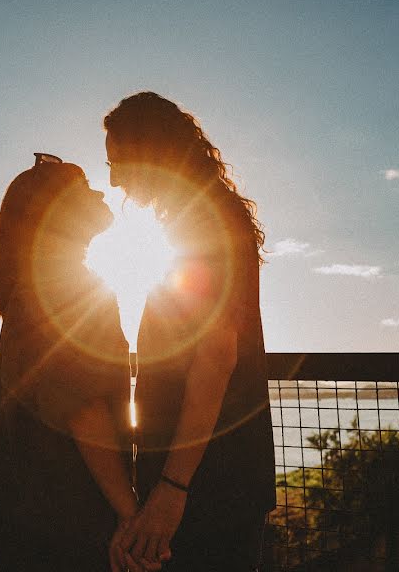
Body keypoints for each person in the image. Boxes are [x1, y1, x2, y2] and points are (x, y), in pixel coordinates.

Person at [104, 93, 277, 572]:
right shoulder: (193, 218)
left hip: (211, 483)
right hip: (205, 477)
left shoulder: (206, 219)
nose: (114, 176)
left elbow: (215, 355)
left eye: (118, 160)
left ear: (149, 150)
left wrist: (173, 488)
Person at [0, 156, 141, 571]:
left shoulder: (35, 284)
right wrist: (129, 511)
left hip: (23, 515)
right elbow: (83, 409)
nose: (99, 191)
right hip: (64, 522)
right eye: (83, 186)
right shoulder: (65, 285)